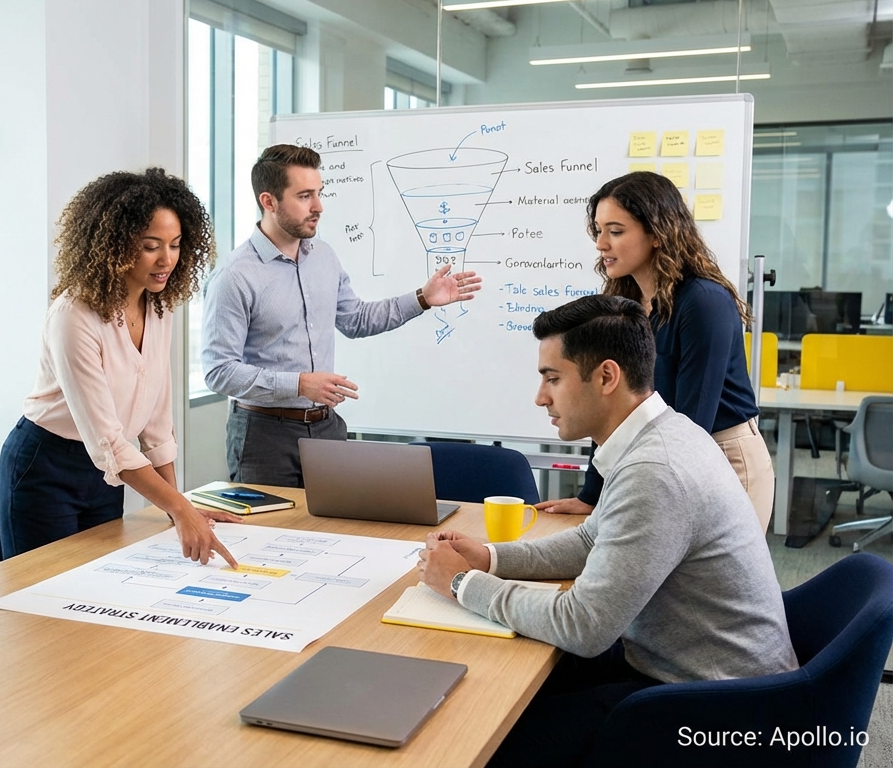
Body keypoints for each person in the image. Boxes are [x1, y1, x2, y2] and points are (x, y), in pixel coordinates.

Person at [419, 295, 796, 767]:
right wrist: (489, 558)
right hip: (686, 669)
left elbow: (584, 626)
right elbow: (589, 538)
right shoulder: (659, 434)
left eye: (552, 379)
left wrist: (460, 583)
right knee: (504, 689)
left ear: (606, 377)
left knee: (489, 736)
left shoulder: (655, 469)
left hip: (713, 709)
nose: (541, 397)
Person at [0, 168, 240, 566]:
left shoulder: (159, 306)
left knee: (99, 589)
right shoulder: (74, 315)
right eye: (151, 246)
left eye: (176, 245)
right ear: (114, 244)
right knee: (43, 601)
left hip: (110, 473)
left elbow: (157, 425)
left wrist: (174, 509)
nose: (167, 260)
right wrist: (182, 509)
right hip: (45, 468)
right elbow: (107, 440)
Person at [201, 144, 481, 488]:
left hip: (326, 427)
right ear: (269, 201)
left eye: (318, 193)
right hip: (264, 436)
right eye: (304, 196)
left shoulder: (324, 257)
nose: (318, 206)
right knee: (270, 537)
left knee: (337, 533)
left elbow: (356, 320)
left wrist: (423, 298)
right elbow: (218, 372)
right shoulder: (234, 276)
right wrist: (300, 383)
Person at [536, 171, 775, 530]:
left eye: (615, 231)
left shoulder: (704, 303)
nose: (602, 244)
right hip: (659, 454)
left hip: (719, 454)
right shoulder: (622, 304)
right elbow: (608, 411)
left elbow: (692, 425)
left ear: (658, 234)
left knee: (701, 584)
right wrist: (592, 496)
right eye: (598, 231)